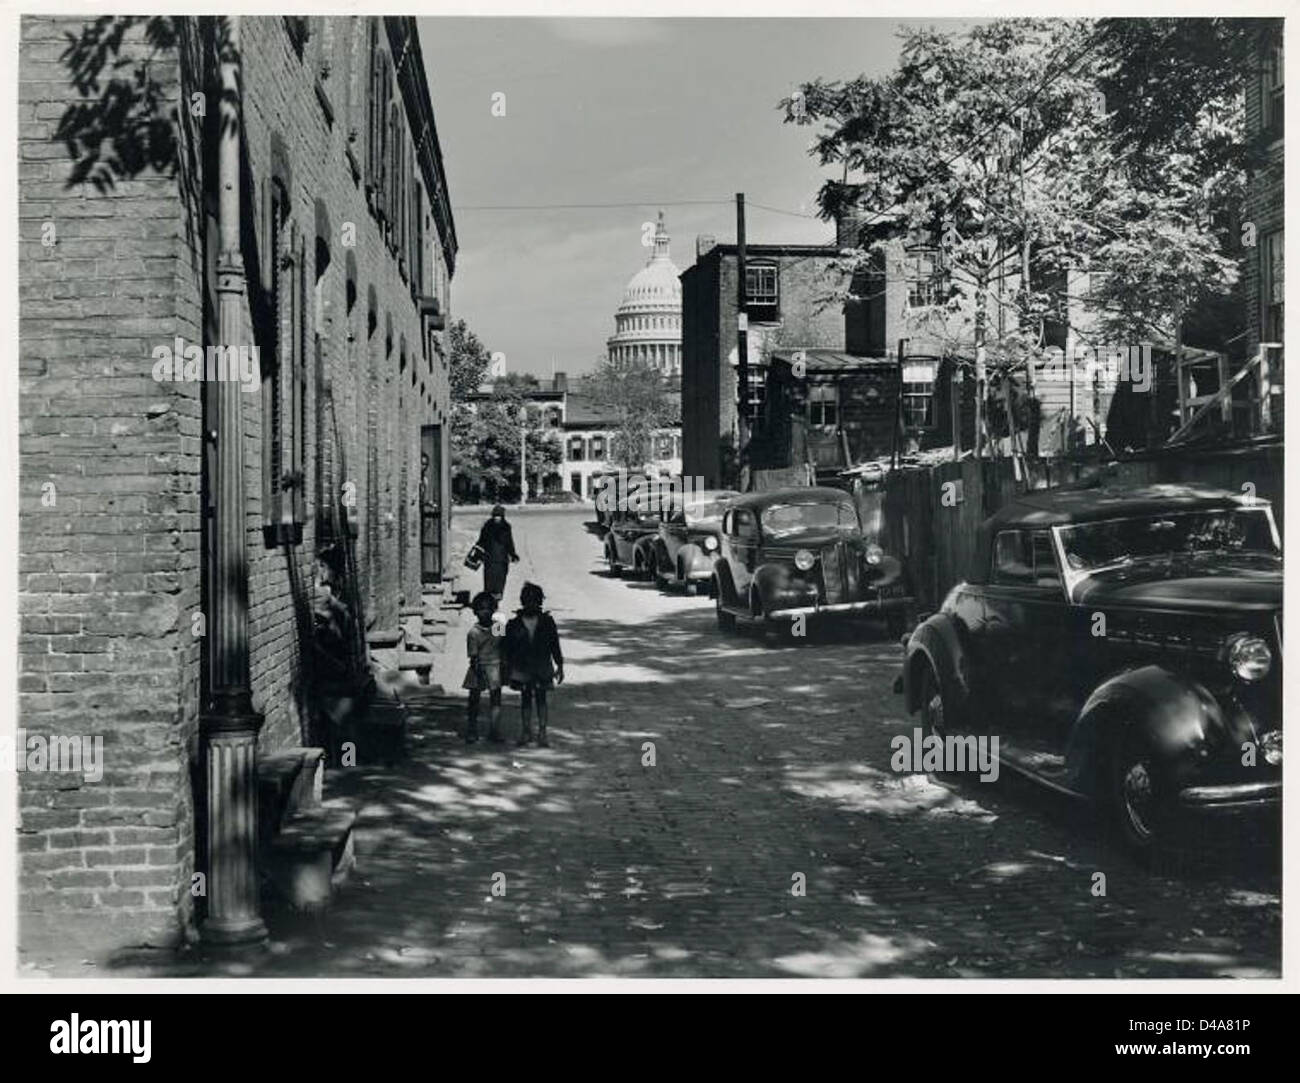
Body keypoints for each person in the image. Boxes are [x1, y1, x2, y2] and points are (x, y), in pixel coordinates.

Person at [504, 582, 564, 748]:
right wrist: (507, 666)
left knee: (541, 698)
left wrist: (560, 665)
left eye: (535, 600)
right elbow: (507, 646)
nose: (531, 603)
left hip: (542, 666)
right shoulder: (513, 624)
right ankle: (526, 731)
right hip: (522, 667)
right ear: (522, 601)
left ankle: (542, 732)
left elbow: (555, 645)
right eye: (528, 600)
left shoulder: (547, 622)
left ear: (540, 602)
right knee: (525, 699)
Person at [462, 592, 505, 745]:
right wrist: (477, 671)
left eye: (488, 609)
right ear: (475, 611)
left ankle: (495, 730)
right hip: (478, 667)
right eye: (481, 609)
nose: (485, 612)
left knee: (496, 700)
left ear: (494, 610)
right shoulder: (473, 633)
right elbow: (473, 656)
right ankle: (472, 730)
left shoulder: (498, 627)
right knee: (474, 701)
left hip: (495, 666)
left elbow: (503, 646)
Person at [474, 504, 519, 602]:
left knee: (500, 578)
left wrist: (513, 554)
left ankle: (497, 596)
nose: (497, 518)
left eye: (499, 516)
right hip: (489, 558)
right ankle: (489, 597)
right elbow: (481, 541)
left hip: (502, 559)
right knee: (489, 578)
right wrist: (477, 554)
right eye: (495, 516)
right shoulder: (487, 527)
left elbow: (509, 542)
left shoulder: (506, 527)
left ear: (502, 516)